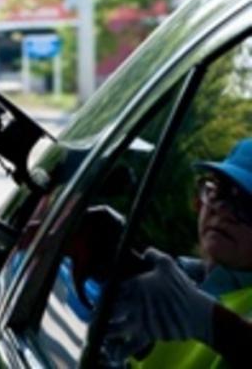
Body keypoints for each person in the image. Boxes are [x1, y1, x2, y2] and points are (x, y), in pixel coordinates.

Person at [101, 138, 252, 367]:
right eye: (220, 192)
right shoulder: (174, 277)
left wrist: (211, 322)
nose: (223, 210)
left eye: (248, 205)